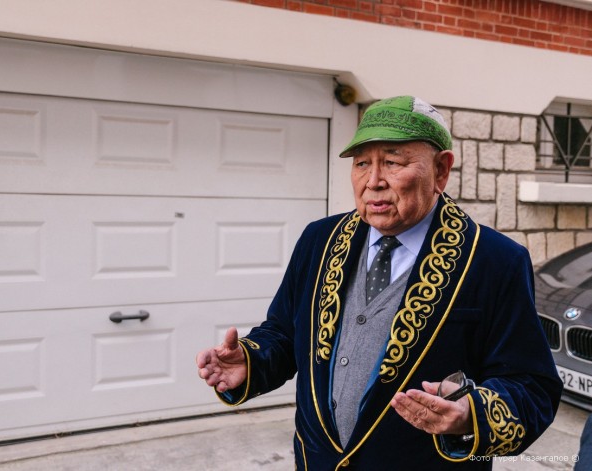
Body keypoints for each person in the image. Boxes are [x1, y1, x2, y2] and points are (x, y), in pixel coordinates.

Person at [196, 96, 562, 470]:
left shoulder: (495, 261)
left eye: (392, 162)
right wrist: (251, 360)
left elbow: (532, 388)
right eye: (361, 164)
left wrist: (471, 414)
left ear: (441, 170)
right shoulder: (318, 240)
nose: (373, 182)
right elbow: (285, 334)